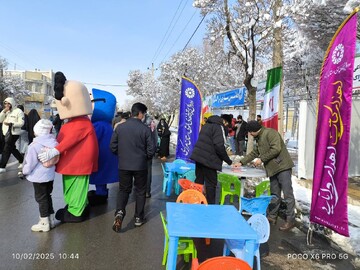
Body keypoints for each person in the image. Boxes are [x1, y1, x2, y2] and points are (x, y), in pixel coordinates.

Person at [39, 71, 99, 223]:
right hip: (74, 162)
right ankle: (77, 205)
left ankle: (76, 212)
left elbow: (69, 140)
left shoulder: (80, 123)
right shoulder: (78, 122)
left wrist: (54, 151)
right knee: (73, 185)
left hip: (77, 162)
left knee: (76, 185)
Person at [234, 120, 296, 231]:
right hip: (273, 169)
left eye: (250, 132)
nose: (249, 134)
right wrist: (242, 162)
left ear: (254, 131)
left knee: (288, 195)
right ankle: (272, 217)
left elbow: (276, 149)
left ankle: (290, 220)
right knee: (274, 194)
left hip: (283, 167)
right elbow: (254, 153)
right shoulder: (259, 138)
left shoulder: (270, 133)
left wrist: (262, 159)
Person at [110, 102, 155, 232]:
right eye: (144, 113)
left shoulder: (120, 128)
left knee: (124, 190)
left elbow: (112, 146)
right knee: (140, 191)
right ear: (140, 113)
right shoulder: (145, 129)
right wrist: (144, 157)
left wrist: (121, 155)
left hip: (124, 165)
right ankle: (138, 218)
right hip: (140, 166)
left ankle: (119, 212)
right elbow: (151, 149)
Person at [22, 119, 58, 232]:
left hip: (39, 177)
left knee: (41, 199)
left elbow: (30, 163)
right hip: (49, 176)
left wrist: (24, 171)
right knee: (47, 196)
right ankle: (51, 219)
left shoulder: (35, 145)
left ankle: (44, 222)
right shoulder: (54, 143)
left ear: (37, 131)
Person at [190, 114, 233, 204]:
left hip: (199, 157)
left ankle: (196, 202)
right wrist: (229, 161)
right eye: (227, 125)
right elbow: (219, 146)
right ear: (225, 121)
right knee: (211, 184)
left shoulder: (207, 125)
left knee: (199, 181)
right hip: (209, 160)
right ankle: (210, 206)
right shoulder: (218, 127)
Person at [88, 89, 118, 206]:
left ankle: (101, 194)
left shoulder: (98, 125)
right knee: (102, 175)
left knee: (100, 175)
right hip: (105, 154)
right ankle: (101, 192)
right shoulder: (105, 124)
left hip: (100, 155)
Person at [0, 97, 25, 173]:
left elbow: (21, 123)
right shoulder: (6, 112)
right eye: (5, 103)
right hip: (5, 133)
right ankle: (21, 160)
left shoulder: (18, 111)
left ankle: (2, 166)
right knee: (12, 148)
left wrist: (12, 124)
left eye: (8, 103)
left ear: (12, 103)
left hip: (14, 133)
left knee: (6, 149)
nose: (7, 105)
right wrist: (4, 111)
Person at [143, 113, 158, 198]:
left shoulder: (140, 125)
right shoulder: (153, 125)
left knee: (139, 171)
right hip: (149, 152)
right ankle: (147, 191)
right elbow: (155, 139)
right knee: (148, 172)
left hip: (140, 151)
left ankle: (139, 189)